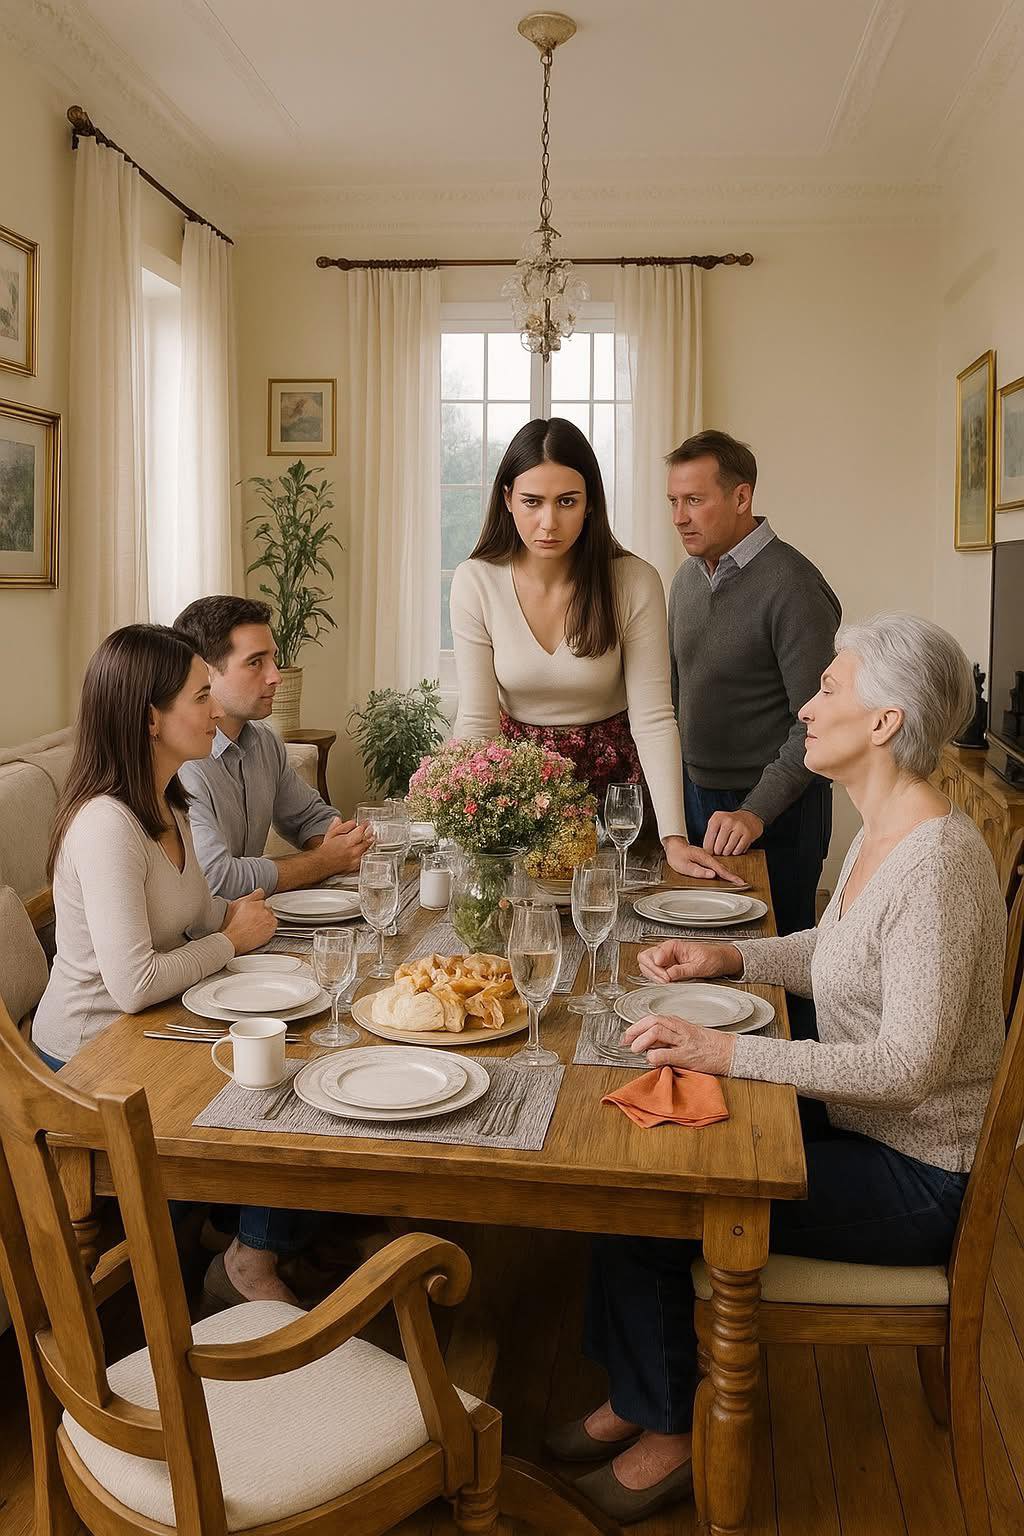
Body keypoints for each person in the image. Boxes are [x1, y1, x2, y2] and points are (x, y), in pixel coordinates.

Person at [547, 614, 1005, 1523]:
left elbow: (909, 1066)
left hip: (916, 1172)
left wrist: (726, 1052)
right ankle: (640, 1395)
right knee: (634, 1142)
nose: (806, 703)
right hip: (861, 1127)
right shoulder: (887, 832)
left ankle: (671, 1429)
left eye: (830, 688)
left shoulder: (939, 864)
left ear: (883, 722)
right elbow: (838, 958)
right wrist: (733, 961)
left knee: (652, 1190)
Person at [30, 625, 316, 1304]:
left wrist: (231, 918)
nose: (216, 709)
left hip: (153, 1034)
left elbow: (190, 911)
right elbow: (132, 985)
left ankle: (251, 1239)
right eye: (200, 696)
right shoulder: (105, 824)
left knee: (299, 1043)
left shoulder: (169, 802)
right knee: (279, 1082)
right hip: (88, 1063)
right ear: (151, 718)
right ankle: (251, 1255)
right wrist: (232, 942)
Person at [450, 417, 738, 882]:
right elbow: (478, 721)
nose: (549, 522)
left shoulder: (633, 580)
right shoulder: (475, 581)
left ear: (589, 504)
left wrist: (675, 839)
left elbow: (654, 717)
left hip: (618, 804)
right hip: (518, 797)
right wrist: (466, 831)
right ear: (507, 500)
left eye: (567, 501)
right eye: (532, 502)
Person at [667, 430, 842, 933]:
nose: (680, 516)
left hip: (775, 811)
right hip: (697, 802)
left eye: (695, 500)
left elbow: (816, 723)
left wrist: (754, 813)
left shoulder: (793, 585)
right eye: (674, 501)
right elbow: (676, 702)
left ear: (742, 496)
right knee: (706, 956)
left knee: (778, 972)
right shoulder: (685, 580)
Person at [173, 595, 372, 900]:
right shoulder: (182, 763)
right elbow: (214, 879)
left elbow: (310, 818)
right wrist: (324, 861)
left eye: (273, 658)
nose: (276, 676)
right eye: (255, 662)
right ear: (205, 672)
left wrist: (341, 846)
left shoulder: (264, 742)